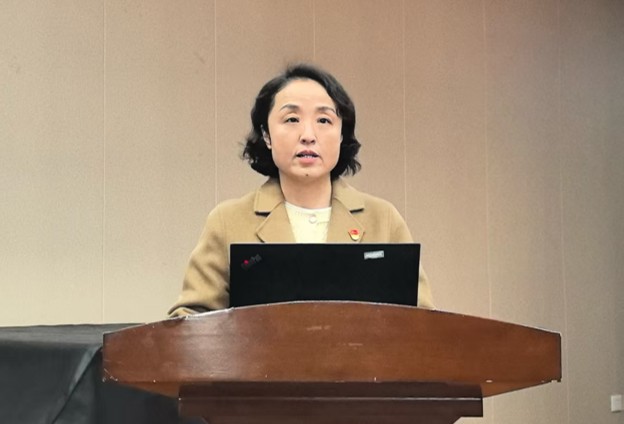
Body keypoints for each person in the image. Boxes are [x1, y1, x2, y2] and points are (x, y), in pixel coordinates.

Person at [168, 64, 434, 317]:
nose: (308, 135)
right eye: (292, 119)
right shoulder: (228, 221)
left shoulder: (382, 219)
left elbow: (424, 325)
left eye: (324, 120)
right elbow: (189, 322)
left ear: (342, 134)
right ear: (267, 135)